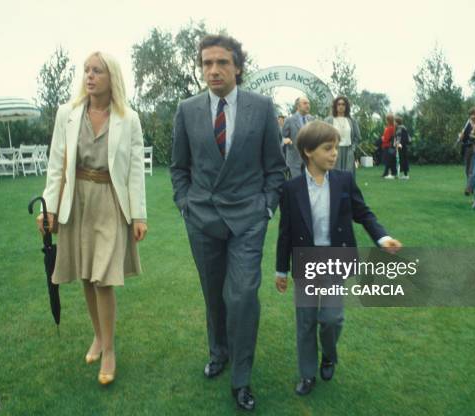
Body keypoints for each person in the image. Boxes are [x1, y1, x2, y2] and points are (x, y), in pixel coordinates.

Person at [170, 34, 285, 411]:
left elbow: (275, 168)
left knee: (243, 296)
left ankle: (242, 378)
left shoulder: (262, 107)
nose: (213, 70)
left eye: (221, 62)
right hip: (202, 217)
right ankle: (219, 352)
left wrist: (267, 207)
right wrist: (185, 203)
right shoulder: (187, 110)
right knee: (214, 294)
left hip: (249, 219)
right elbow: (178, 166)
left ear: (238, 66)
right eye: (206, 63)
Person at [36, 51, 147, 386]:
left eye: (97, 70)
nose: (90, 76)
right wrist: (49, 209)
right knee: (86, 274)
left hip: (111, 202)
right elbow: (56, 165)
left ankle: (109, 349)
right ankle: (98, 336)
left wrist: (139, 214)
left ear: (111, 76)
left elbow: (136, 171)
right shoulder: (66, 114)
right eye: (86, 70)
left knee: (104, 278)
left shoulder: (128, 118)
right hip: (76, 201)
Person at [274, 120, 401, 396]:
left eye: (335, 148)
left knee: (331, 319)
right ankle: (307, 375)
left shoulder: (344, 180)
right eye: (327, 148)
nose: (334, 153)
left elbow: (364, 214)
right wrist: (281, 270)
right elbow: (285, 232)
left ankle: (329, 355)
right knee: (305, 321)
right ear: (308, 151)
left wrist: (382, 238)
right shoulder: (291, 189)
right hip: (305, 262)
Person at [324, 96, 361, 176]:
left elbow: (357, 137)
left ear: (346, 106)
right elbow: (323, 136)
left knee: (348, 174)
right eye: (338, 104)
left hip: (348, 151)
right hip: (334, 150)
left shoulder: (352, 120)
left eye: (343, 104)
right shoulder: (328, 120)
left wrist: (353, 148)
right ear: (335, 106)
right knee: (334, 174)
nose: (341, 106)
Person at [283, 96, 315, 177]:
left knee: (308, 185)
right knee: (296, 185)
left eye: (308, 103)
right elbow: (282, 137)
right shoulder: (289, 120)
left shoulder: (312, 119)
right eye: (305, 103)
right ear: (298, 106)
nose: (308, 105)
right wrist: (286, 140)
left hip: (309, 160)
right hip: (294, 160)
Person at [459, 107, 475, 195]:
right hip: (466, 149)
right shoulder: (467, 124)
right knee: (467, 170)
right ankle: (471, 187)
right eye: (471, 115)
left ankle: (468, 189)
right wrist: (461, 136)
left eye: (474, 114)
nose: (473, 116)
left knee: (471, 170)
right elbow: (463, 137)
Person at [381, 113, 396, 179]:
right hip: (390, 146)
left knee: (388, 160)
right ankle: (392, 172)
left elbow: (387, 138)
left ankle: (386, 173)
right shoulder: (393, 127)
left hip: (388, 146)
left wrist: (383, 138)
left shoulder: (390, 128)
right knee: (390, 160)